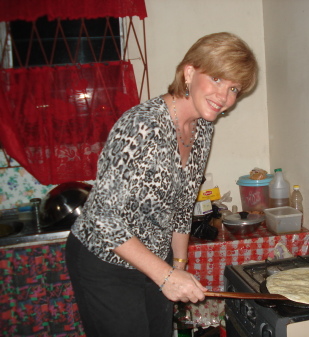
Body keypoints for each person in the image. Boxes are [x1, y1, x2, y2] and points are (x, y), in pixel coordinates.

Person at [65, 32, 258, 337]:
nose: (225, 97)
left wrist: (178, 266)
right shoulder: (142, 125)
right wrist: (165, 276)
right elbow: (103, 217)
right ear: (190, 72)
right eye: (218, 79)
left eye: (234, 88)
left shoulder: (203, 129)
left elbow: (182, 206)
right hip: (106, 261)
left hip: (155, 259)